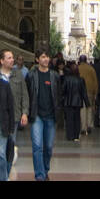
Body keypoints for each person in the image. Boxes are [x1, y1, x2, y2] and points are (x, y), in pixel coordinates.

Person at [26, 48, 64, 181]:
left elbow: (59, 94)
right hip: (37, 115)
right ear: (37, 60)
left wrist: (59, 112)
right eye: (42, 57)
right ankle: (40, 176)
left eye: (47, 57)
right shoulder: (31, 75)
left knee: (48, 147)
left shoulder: (54, 76)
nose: (45, 59)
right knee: (37, 146)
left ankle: (45, 169)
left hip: (50, 115)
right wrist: (27, 112)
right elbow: (27, 94)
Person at [0, 47, 28, 167]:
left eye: (12, 58)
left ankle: (6, 172)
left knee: (10, 145)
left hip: (14, 116)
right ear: (2, 61)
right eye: (9, 58)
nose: (12, 60)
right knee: (0, 147)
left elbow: (24, 95)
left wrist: (24, 112)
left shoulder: (18, 74)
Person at [61, 61, 88, 141]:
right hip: (78, 102)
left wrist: (61, 99)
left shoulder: (67, 79)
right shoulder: (81, 80)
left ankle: (70, 135)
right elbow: (84, 92)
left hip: (68, 102)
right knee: (77, 119)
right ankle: (76, 135)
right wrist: (87, 103)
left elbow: (63, 90)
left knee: (69, 119)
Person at [80, 56, 98, 135]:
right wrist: (95, 93)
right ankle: (89, 125)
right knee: (89, 108)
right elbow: (95, 81)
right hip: (90, 91)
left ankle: (83, 127)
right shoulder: (91, 69)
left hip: (81, 91)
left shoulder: (78, 68)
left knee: (83, 109)